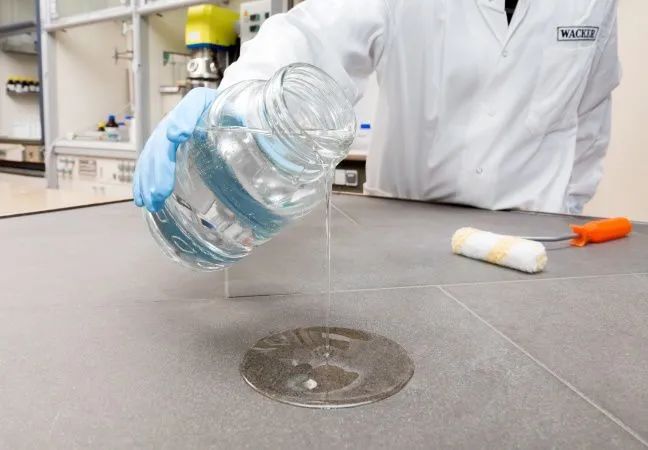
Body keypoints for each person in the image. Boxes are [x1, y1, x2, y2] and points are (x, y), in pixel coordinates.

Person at [134, 0, 620, 214]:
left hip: (535, 228)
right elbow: (311, 34)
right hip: (407, 224)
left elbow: (590, 109)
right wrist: (236, 100)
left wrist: (569, 209)